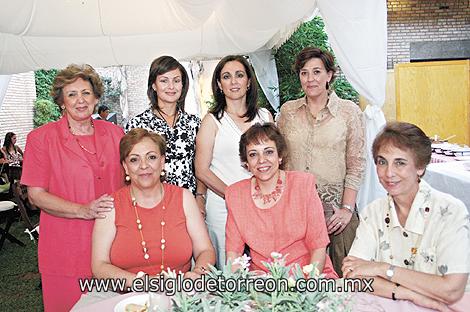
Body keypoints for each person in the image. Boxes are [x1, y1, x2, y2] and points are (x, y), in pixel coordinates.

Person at [21, 64, 124, 311]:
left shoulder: (116, 134)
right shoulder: (41, 139)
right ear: (61, 101)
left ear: (97, 97)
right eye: (72, 94)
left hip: (115, 246)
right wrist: (83, 210)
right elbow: (35, 196)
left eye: (86, 93)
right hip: (65, 248)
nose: (80, 100)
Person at [343, 121, 469, 311]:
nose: (388, 173)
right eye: (382, 162)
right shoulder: (373, 212)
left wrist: (382, 269)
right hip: (390, 302)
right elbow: (353, 276)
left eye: (400, 163)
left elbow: (451, 290)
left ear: (420, 167)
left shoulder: (450, 211)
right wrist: (408, 293)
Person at [277, 47, 365, 276]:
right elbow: (280, 161)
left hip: (336, 214)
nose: (310, 79)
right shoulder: (288, 112)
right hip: (296, 211)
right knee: (300, 279)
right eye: (304, 73)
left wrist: (346, 209)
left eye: (317, 72)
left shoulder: (349, 112)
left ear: (329, 75)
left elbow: (356, 163)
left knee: (343, 280)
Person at [91, 129, 215, 290]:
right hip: (123, 296)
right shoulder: (110, 206)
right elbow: (99, 266)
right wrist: (143, 284)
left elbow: (205, 250)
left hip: (180, 293)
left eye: (152, 157)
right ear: (125, 167)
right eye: (134, 160)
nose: (144, 166)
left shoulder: (184, 198)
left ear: (162, 162)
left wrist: (198, 273)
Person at [225, 123, 337, 278]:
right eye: (253, 154)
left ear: (280, 156)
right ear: (246, 163)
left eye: (268, 152)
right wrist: (237, 288)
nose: (261, 160)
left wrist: (307, 287)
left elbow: (318, 247)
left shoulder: (303, 185)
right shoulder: (235, 194)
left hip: (310, 276)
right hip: (263, 282)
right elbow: (234, 253)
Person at [195, 55, 273, 267]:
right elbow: (201, 170)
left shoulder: (265, 117)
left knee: (264, 267)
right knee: (229, 270)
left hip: (263, 204)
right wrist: (234, 196)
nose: (234, 81)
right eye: (227, 77)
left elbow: (275, 162)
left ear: (249, 81)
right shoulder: (211, 121)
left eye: (240, 75)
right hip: (223, 207)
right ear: (219, 85)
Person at [125, 56, 204, 207]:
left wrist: (200, 198)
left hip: (189, 202)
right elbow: (131, 168)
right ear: (153, 85)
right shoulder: (137, 124)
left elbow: (201, 166)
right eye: (164, 80)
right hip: (151, 203)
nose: (171, 87)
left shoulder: (194, 123)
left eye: (176, 80)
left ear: (183, 84)